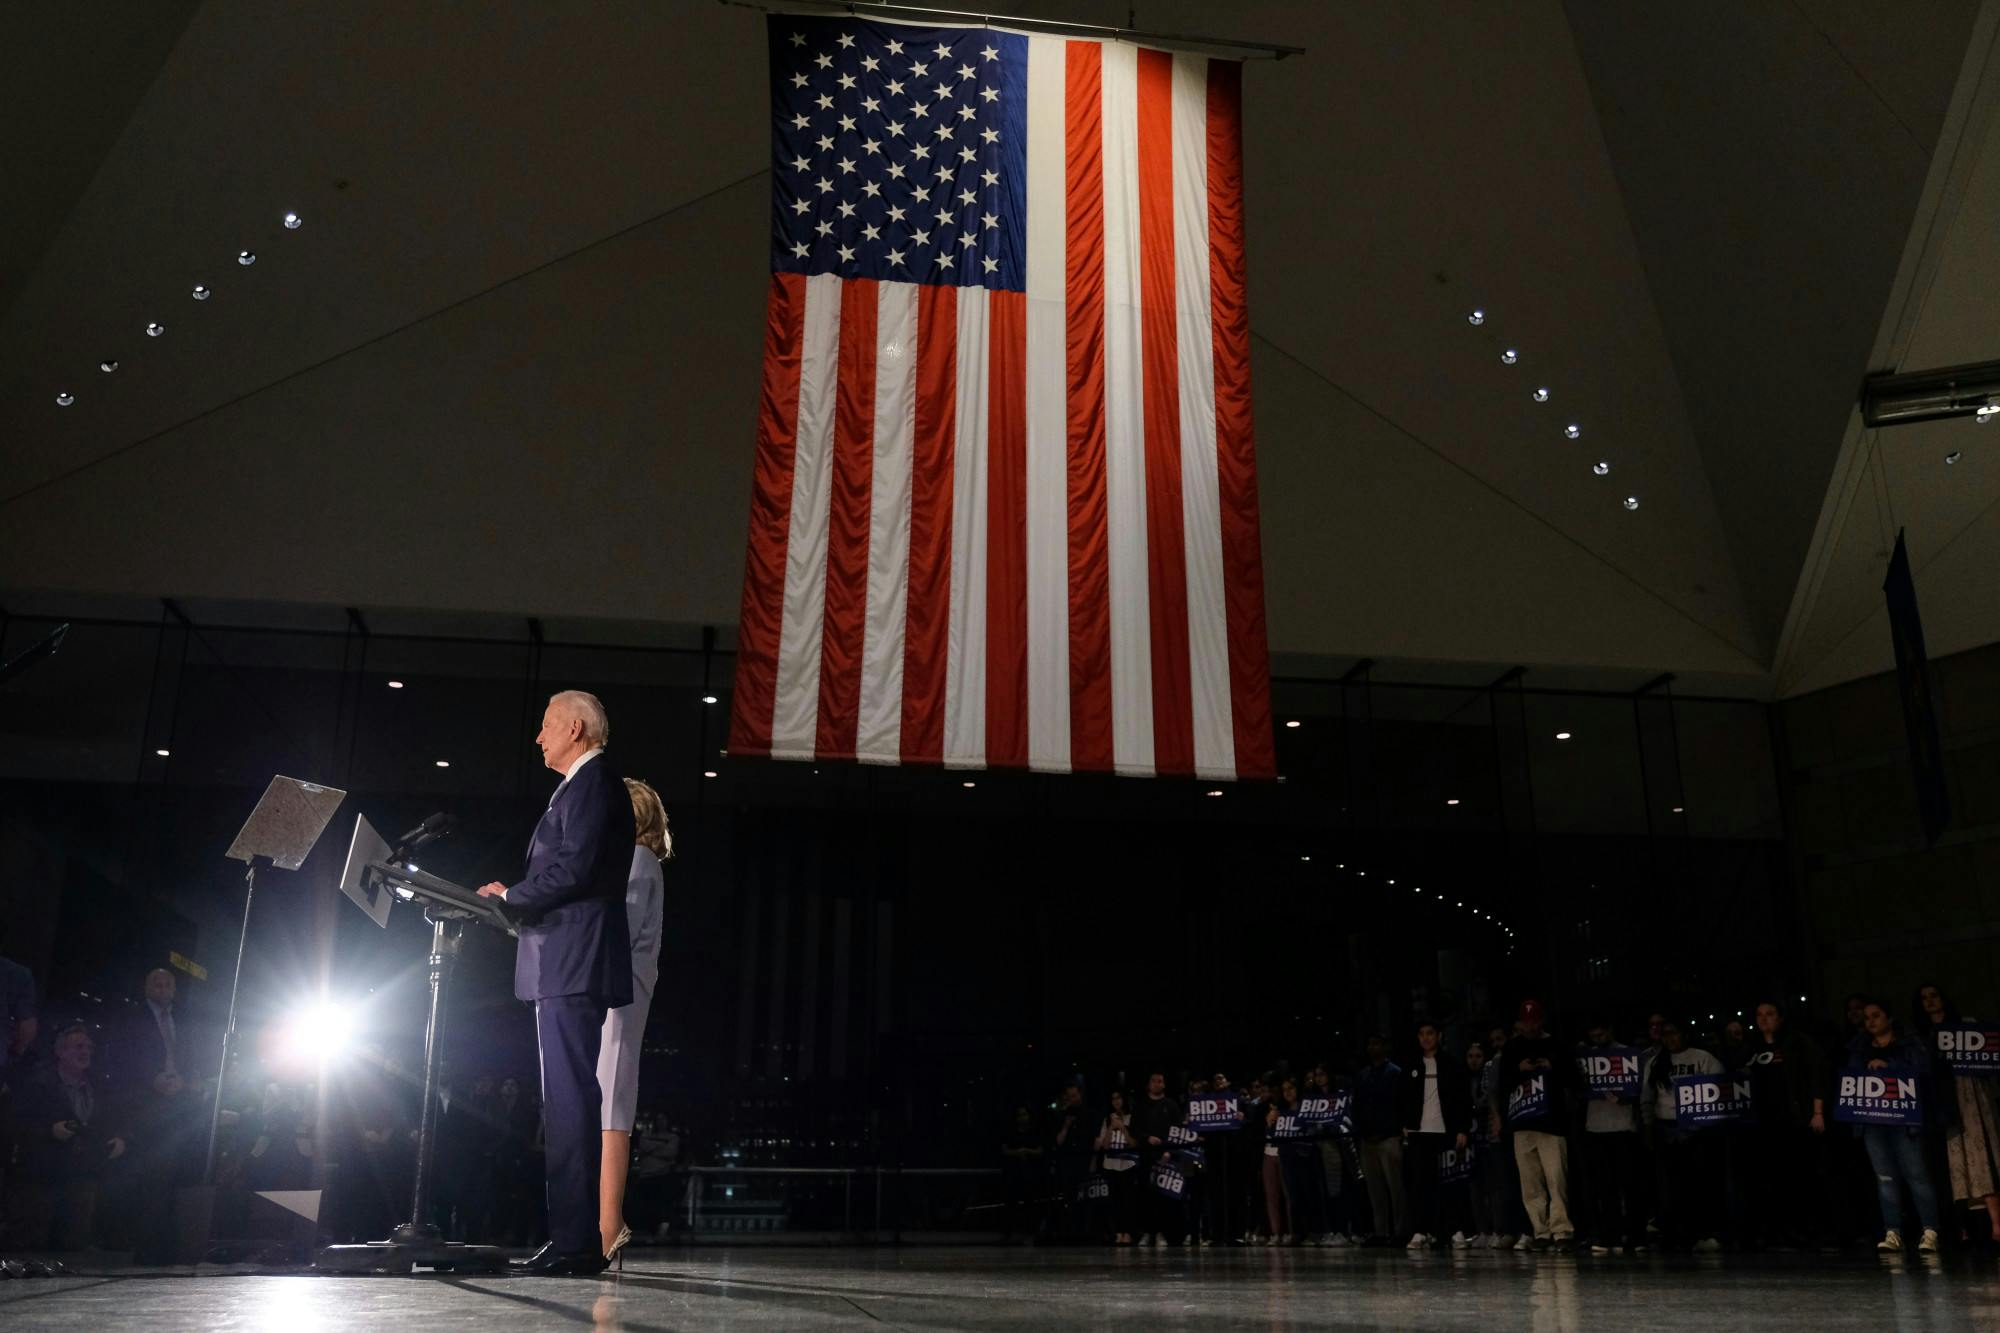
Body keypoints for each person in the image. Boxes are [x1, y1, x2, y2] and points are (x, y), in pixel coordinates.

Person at [477, 689, 636, 1276]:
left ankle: (575, 1244)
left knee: (570, 1102)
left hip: (574, 962)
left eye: (546, 726)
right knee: (565, 1101)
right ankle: (572, 1239)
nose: (538, 737)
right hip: (563, 961)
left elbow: (575, 868)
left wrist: (512, 897)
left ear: (575, 729)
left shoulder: (594, 784)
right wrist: (511, 901)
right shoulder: (578, 787)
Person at [596, 776, 669, 1264]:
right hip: (615, 993)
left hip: (620, 997)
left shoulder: (639, 862)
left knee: (612, 1111)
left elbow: (617, 927)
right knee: (605, 1110)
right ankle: (602, 1223)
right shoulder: (634, 861)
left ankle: (609, 1225)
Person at [6, 1023, 126, 1250]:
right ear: (60, 1051)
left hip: (82, 1179)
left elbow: (113, 1119)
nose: (85, 1052)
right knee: (31, 1246)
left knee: (73, 1247)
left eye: (89, 1048)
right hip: (41, 1180)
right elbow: (16, 1125)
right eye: (78, 1047)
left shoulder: (99, 1086)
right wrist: (49, 1131)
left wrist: (118, 1138)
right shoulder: (37, 1084)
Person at [1848, 998, 1940, 1253]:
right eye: (1866, 1018)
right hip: (1874, 1122)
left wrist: (1890, 1068)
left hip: (1904, 1121)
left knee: (1917, 1174)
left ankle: (1930, 1230)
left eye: (1875, 1015)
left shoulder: (1909, 1044)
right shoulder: (1859, 1049)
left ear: (1888, 1018)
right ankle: (1893, 1232)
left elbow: (1922, 1073)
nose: (1870, 1021)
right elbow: (1852, 1082)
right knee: (1885, 1177)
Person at [1911, 982, 2000, 1244]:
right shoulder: (1919, 1034)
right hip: (1941, 1101)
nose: (1930, 1001)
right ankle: (1962, 1227)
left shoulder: (1968, 1024)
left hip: (1972, 1094)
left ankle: (1995, 1224)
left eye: (1934, 995)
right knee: (1951, 1160)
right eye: (1924, 997)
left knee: (1982, 1153)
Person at [1737, 998, 1828, 1250]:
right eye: (1759, 1014)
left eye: (1770, 1013)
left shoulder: (1797, 1042)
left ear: (1780, 1017)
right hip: (1763, 1124)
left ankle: (1802, 1230)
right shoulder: (1751, 1047)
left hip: (1793, 1120)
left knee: (1797, 1177)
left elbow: (1816, 1075)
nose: (1764, 1018)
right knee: (1769, 1178)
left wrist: (1817, 1112)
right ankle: (1774, 1232)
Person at [1640, 1019, 1724, 1251]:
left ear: (1684, 1034)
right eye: (1665, 1034)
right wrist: (1648, 1127)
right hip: (1665, 1128)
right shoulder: (1656, 1062)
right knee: (1670, 1186)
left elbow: (1720, 1090)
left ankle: (1703, 1231)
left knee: (1699, 1183)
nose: (1669, 1038)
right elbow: (1647, 1098)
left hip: (1698, 1130)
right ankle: (1676, 1233)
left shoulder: (1703, 1058)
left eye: (1673, 1033)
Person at [1502, 999, 1574, 1252]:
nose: (1530, 1026)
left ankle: (1561, 1231)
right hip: (1522, 1122)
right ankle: (1540, 1231)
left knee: (1556, 1179)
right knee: (1530, 1183)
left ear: (1541, 1020)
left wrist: (1551, 1067)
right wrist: (1517, 1070)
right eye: (1526, 1021)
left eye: (1534, 1021)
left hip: (1552, 1123)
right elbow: (1501, 1084)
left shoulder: (1557, 1045)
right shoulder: (1512, 1048)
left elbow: (1574, 1078)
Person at [1400, 1019, 1470, 1250]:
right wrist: (1405, 1125)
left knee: (1450, 1183)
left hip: (1445, 1131)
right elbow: (1404, 1098)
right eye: (1421, 1034)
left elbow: (1461, 1098)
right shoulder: (1411, 1065)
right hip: (1420, 1132)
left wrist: (1462, 1129)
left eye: (1430, 1033)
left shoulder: (1451, 1064)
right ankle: (1421, 1230)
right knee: (1421, 1184)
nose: (1426, 1038)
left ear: (1438, 1035)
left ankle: (1455, 1229)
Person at [1577, 1020, 1644, 1255]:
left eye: (1600, 1033)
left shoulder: (1627, 1054)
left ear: (1609, 1030)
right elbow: (1578, 1088)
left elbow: (1638, 1090)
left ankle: (1635, 1235)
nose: (1598, 1039)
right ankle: (1610, 1235)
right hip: (1596, 1126)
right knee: (1604, 1187)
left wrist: (1626, 1098)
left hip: (1623, 1126)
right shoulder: (1586, 1059)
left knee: (1629, 1184)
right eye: (1593, 1036)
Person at [1353, 1036, 1406, 1245]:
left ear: (1385, 1047)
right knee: (1375, 1191)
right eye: (1370, 1044)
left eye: (1376, 1043)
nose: (1372, 1047)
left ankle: (1400, 1231)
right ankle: (1381, 1232)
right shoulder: (1362, 1075)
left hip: (1389, 1138)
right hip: (1368, 1140)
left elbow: (1401, 1104)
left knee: (1396, 1189)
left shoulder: (1395, 1073)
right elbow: (1356, 1105)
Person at [1130, 1071, 1182, 1245]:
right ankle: (1147, 1232)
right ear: (1148, 1084)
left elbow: (1178, 1130)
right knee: (1146, 1196)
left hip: (1167, 1157)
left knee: (1165, 1198)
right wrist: (1147, 1138)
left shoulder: (1171, 1105)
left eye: (1160, 1081)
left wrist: (1169, 1151)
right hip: (1146, 1157)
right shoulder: (1140, 1106)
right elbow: (1134, 1130)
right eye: (1154, 1081)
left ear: (1164, 1084)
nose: (1157, 1084)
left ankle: (1162, 1233)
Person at [1051, 1082, 1100, 1242]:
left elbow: (1095, 1139)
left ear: (1080, 1095)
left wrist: (1093, 1160)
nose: (1072, 1099)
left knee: (1086, 1197)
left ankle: (1087, 1232)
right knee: (1069, 1198)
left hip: (1084, 1160)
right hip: (1067, 1162)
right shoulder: (1062, 1115)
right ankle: (1071, 1232)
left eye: (1074, 1095)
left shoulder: (1090, 1114)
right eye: (1069, 1096)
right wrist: (1066, 1126)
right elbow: (1058, 1141)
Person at [1094, 1089, 1140, 1244]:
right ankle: (1118, 1232)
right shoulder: (1107, 1119)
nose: (1116, 1102)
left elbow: (1134, 1143)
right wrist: (1111, 1127)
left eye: (1119, 1098)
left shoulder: (1132, 1117)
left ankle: (1128, 1232)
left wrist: (1121, 1127)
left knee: (1128, 1201)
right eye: (1113, 1099)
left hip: (1127, 1164)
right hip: (1110, 1165)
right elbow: (1105, 1145)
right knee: (1115, 1201)